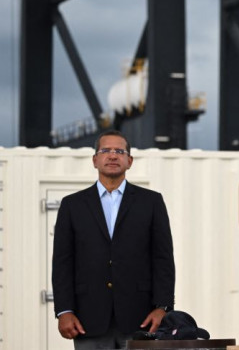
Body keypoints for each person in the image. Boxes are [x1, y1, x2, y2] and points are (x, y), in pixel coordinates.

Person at [52, 130, 175, 349]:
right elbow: (62, 262)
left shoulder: (151, 202)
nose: (112, 156)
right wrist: (64, 310)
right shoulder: (72, 205)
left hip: (141, 319)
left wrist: (163, 307)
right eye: (105, 150)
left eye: (119, 151)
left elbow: (163, 258)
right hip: (87, 320)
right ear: (94, 160)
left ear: (129, 161)